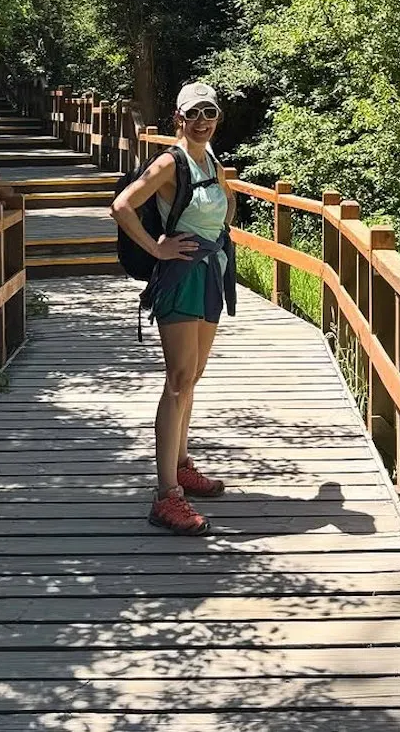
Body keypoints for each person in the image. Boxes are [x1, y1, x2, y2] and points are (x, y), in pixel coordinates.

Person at [110, 81, 237, 534]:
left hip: (209, 274)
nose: (203, 122)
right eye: (194, 114)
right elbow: (122, 206)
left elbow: (224, 210)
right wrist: (157, 248)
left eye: (210, 114)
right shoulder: (170, 161)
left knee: (193, 376)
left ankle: (181, 464)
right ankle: (166, 497)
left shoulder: (212, 161)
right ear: (178, 119)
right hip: (180, 279)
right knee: (179, 379)